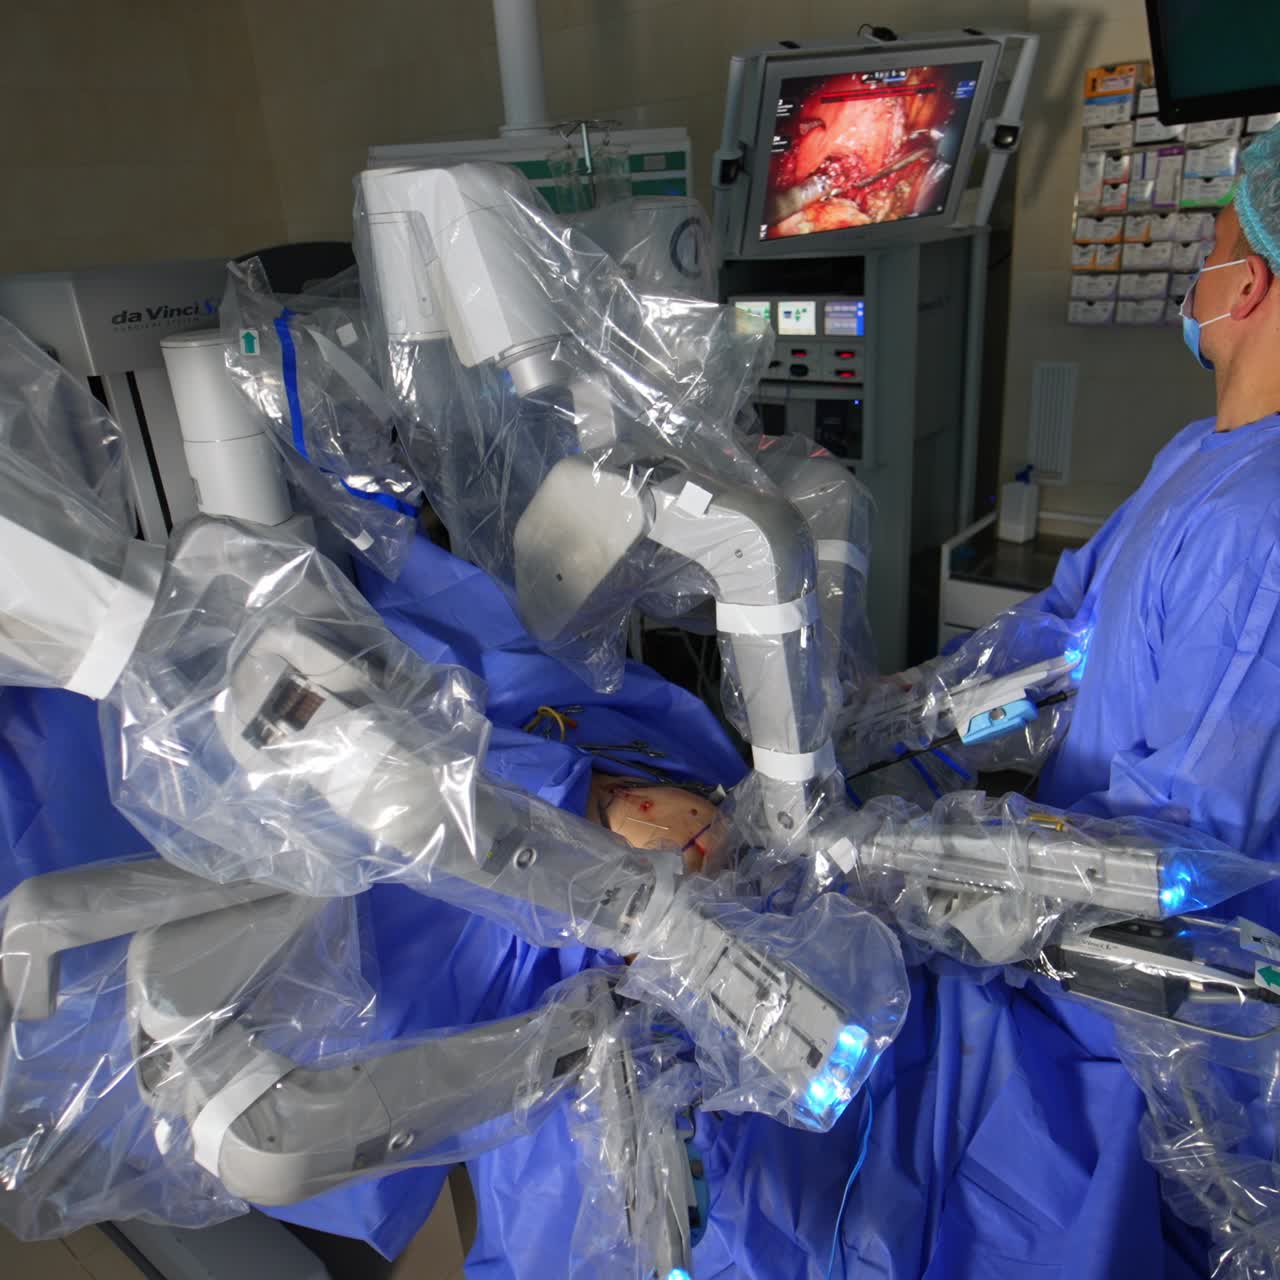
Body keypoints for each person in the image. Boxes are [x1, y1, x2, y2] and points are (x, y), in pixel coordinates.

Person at [1029, 123, 1280, 935]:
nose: (1198, 276)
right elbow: (1073, 614)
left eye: (1212, 250)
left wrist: (980, 875)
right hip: (1072, 864)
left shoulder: (1259, 523)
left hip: (1144, 952)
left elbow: (1181, 838)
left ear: (1248, 284)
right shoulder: (1199, 451)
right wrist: (915, 710)